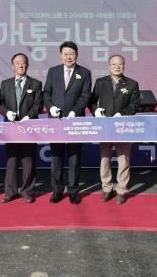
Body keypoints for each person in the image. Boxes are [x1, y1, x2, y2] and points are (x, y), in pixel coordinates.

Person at [43, 41, 92, 204]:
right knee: (56, 157)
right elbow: (46, 93)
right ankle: (57, 190)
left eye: (71, 54)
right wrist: (50, 108)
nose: (68, 57)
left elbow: (85, 96)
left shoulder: (85, 73)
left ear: (76, 55)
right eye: (65, 54)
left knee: (74, 157)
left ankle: (73, 191)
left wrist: (75, 111)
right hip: (55, 120)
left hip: (75, 121)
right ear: (61, 55)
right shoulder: (53, 71)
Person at [90, 54, 140, 205]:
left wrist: (122, 114)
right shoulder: (100, 82)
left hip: (123, 126)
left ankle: (121, 189)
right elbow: (91, 101)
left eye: (120, 64)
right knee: (104, 158)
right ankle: (107, 188)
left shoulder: (132, 84)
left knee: (123, 159)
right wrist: (95, 111)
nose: (117, 66)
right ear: (109, 66)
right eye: (114, 64)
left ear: (124, 66)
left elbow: (134, 105)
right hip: (105, 126)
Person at [0, 53, 43, 204]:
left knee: (28, 159)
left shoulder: (36, 84)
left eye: (23, 63)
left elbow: (38, 104)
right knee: (12, 159)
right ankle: (10, 191)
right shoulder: (5, 84)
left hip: (28, 126)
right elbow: (0, 103)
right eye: (17, 63)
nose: (21, 65)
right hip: (11, 126)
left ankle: (27, 191)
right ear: (13, 66)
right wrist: (6, 113)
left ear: (27, 65)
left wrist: (29, 116)